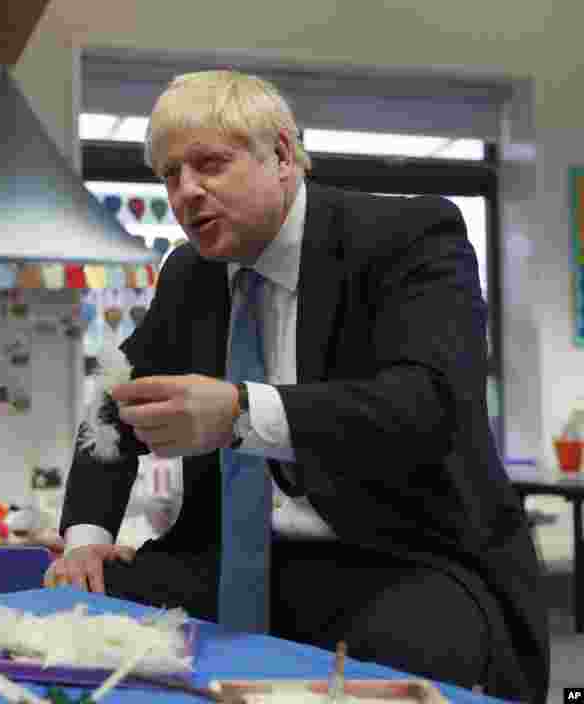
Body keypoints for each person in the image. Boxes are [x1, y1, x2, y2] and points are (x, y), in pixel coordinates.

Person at [49, 71, 548, 702]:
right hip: (230, 555)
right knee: (78, 617)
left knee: (401, 663)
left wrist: (239, 414)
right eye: (169, 175)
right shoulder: (189, 276)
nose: (185, 192)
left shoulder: (409, 237)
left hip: (406, 557)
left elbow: (428, 406)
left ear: (283, 155)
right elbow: (113, 404)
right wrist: (88, 539)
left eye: (209, 164)